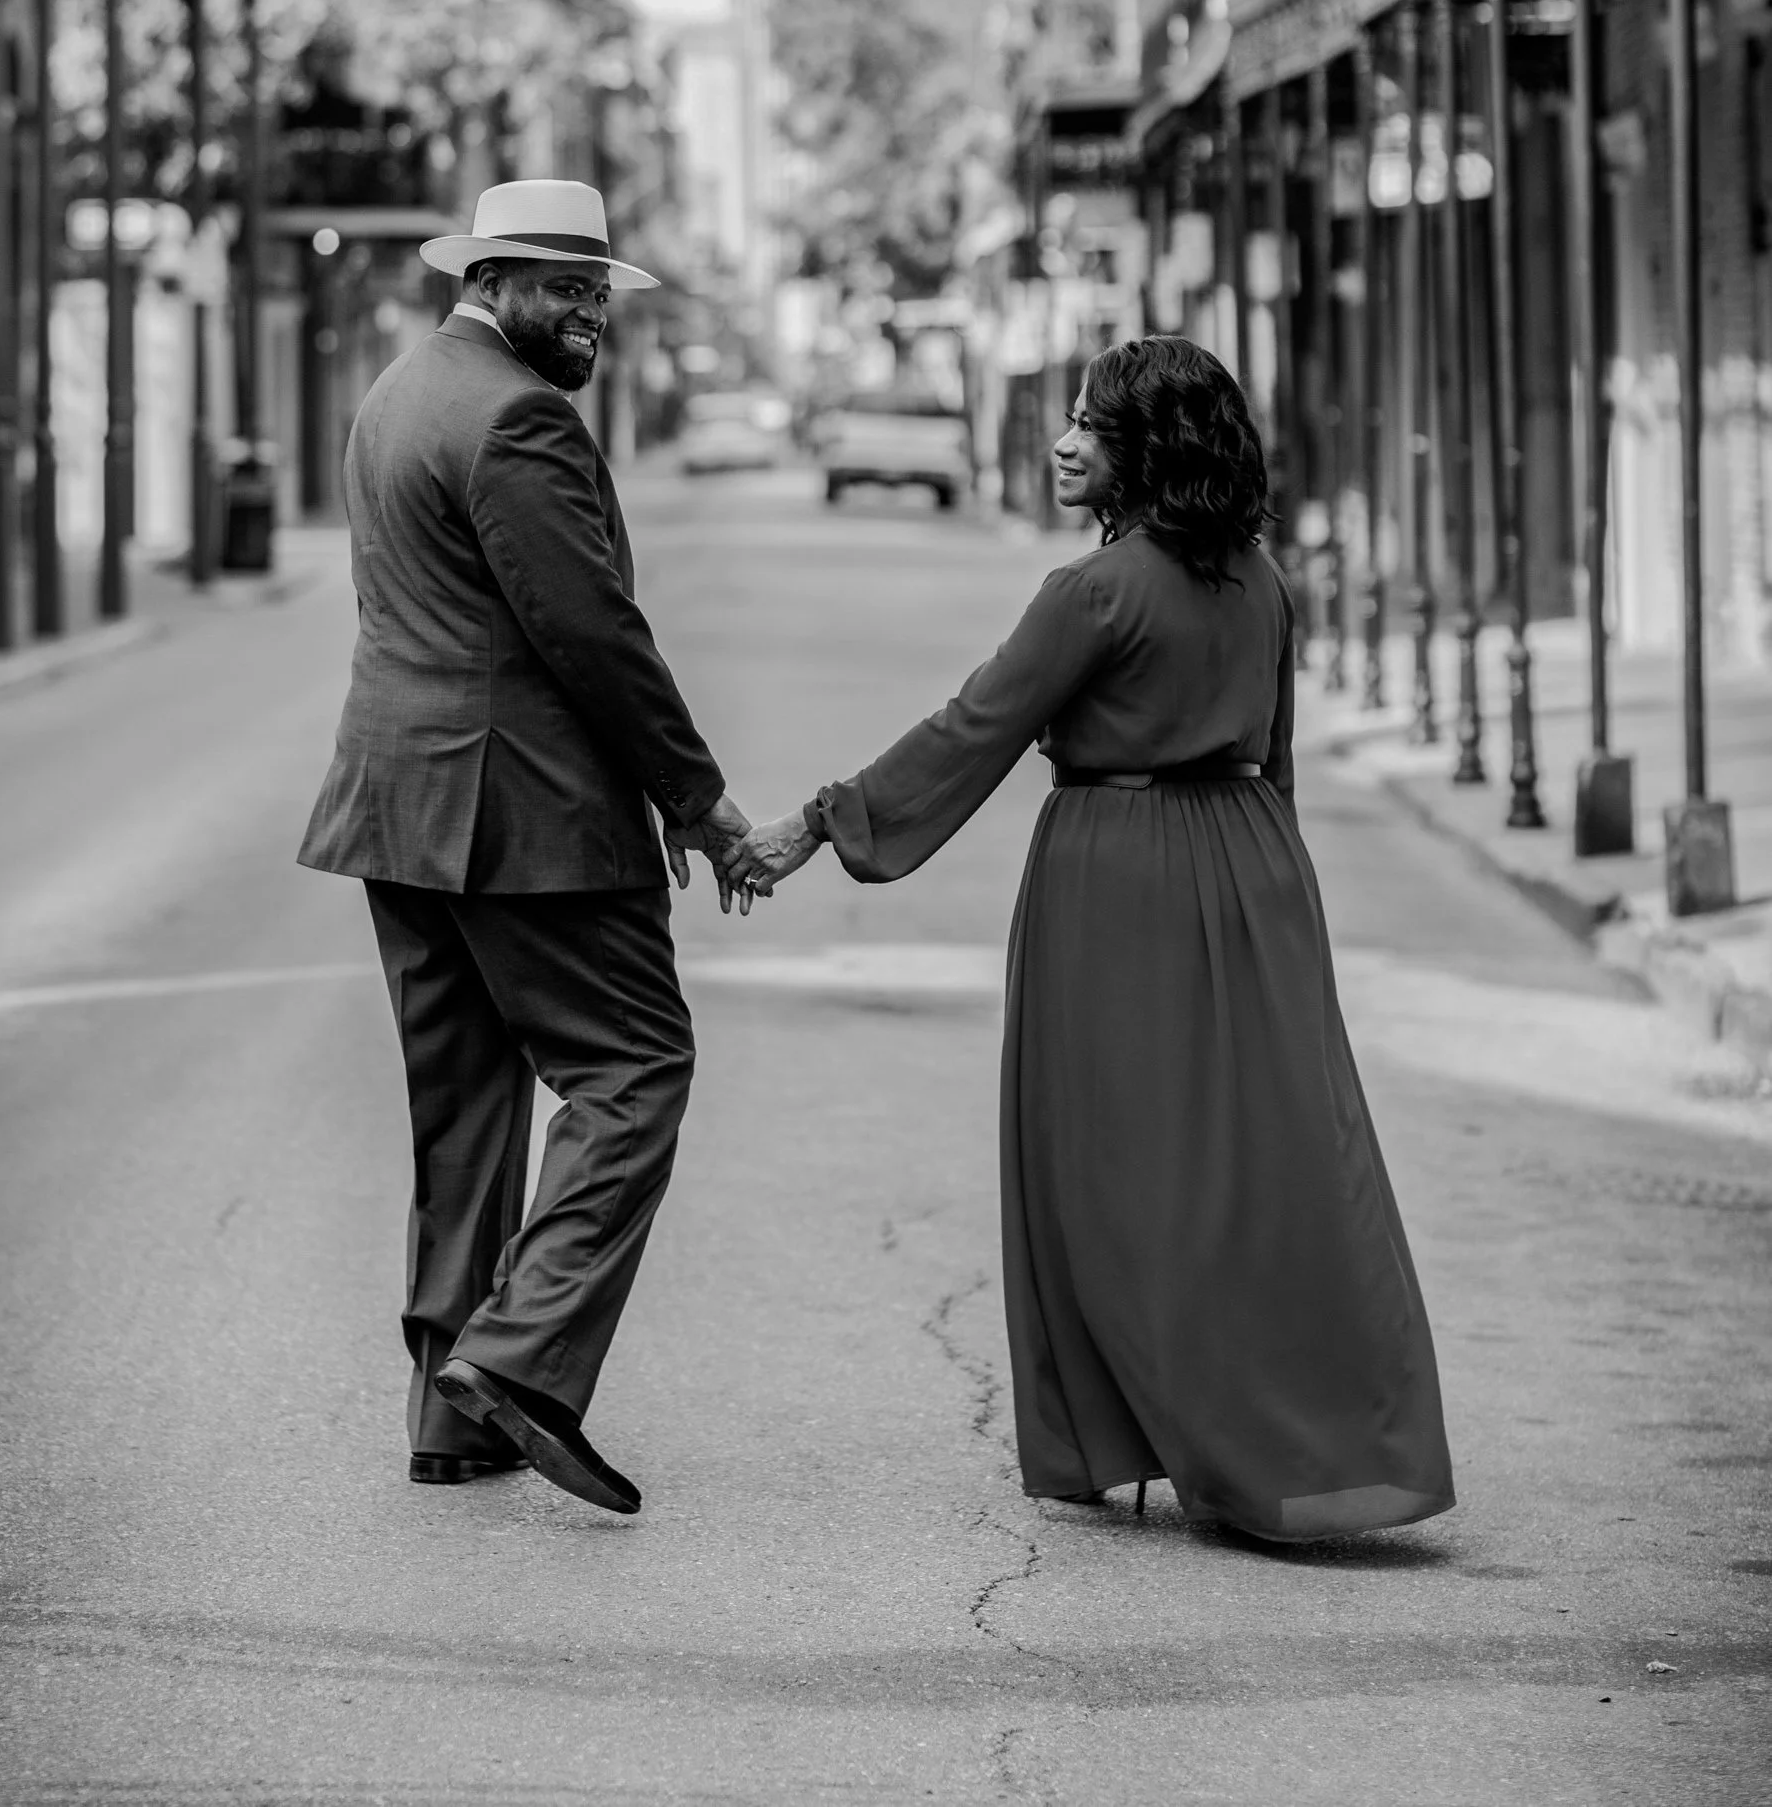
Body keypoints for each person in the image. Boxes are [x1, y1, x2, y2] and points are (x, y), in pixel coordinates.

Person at [728, 336, 1455, 1546]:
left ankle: (1161, 1433)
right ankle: (1315, 1431)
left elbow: (976, 728)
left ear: (1146, 450)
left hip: (1117, 879)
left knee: (1111, 1176)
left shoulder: (1093, 592)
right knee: (1268, 1168)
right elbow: (1276, 762)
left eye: (1090, 427)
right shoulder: (1264, 581)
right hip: (1259, 871)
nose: (1065, 443)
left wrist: (812, 828)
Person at [299, 179, 753, 1516]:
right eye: (570, 288)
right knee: (633, 1066)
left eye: (599, 286)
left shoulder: (394, 393)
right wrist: (693, 798)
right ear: (495, 279)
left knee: (464, 1107)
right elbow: (592, 634)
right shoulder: (519, 419)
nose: (593, 312)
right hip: (522, 817)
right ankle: (520, 1359)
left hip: (397, 807)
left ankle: (449, 1408)